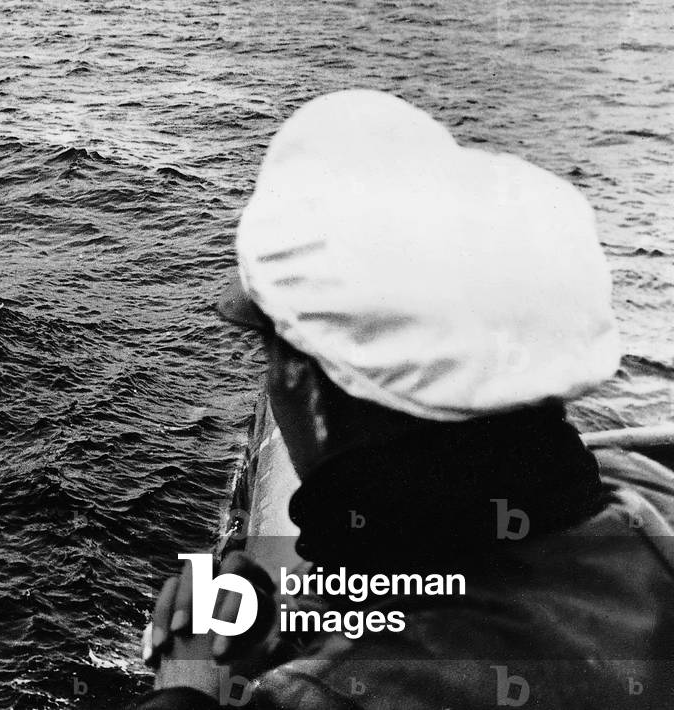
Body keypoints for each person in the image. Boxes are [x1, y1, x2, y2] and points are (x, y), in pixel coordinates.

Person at [137, 90, 674, 709]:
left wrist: (189, 674)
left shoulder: (336, 697)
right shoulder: (640, 494)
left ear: (308, 391)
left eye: (273, 355)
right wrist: (287, 622)